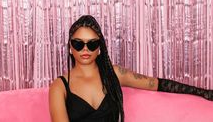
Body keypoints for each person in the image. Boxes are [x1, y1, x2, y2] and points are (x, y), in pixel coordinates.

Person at [49, 15, 213, 122]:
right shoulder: (59, 86)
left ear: (100, 49)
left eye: (92, 44)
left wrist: (203, 93)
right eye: (78, 43)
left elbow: (155, 83)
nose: (85, 49)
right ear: (70, 47)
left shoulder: (114, 74)